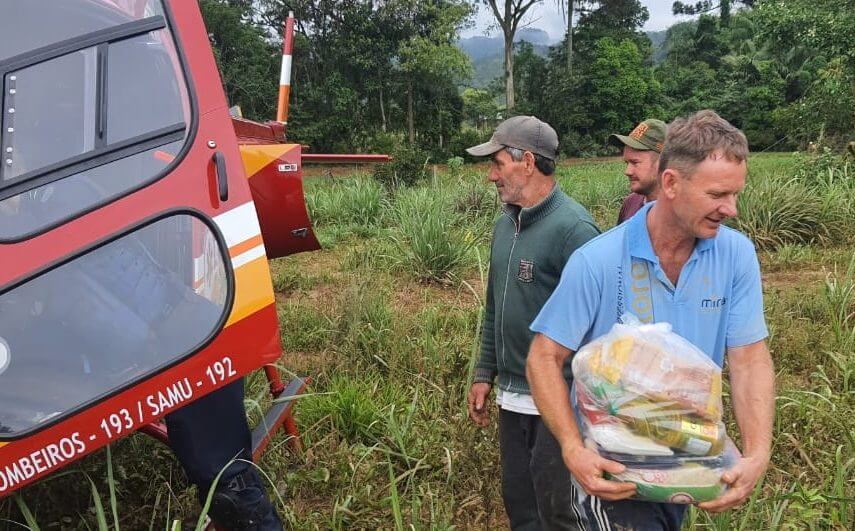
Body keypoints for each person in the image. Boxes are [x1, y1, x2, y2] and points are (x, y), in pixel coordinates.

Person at [526, 110, 775, 530]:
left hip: (688, 464)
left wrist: (757, 453)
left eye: (735, 194)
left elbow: (749, 359)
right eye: (718, 194)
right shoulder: (598, 260)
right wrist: (572, 447)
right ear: (672, 183)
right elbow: (542, 358)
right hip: (614, 473)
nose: (731, 209)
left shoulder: (736, 256)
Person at [465, 115, 600, 530]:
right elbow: (495, 306)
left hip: (558, 400)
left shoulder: (575, 230)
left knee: (558, 508)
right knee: (519, 501)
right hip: (512, 395)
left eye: (498, 163)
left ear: (528, 162)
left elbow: (597, 330)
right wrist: (484, 370)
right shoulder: (505, 224)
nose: (491, 175)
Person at [608, 118, 667, 225]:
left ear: (662, 163)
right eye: (627, 163)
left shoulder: (684, 212)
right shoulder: (630, 203)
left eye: (635, 162)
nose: (627, 171)